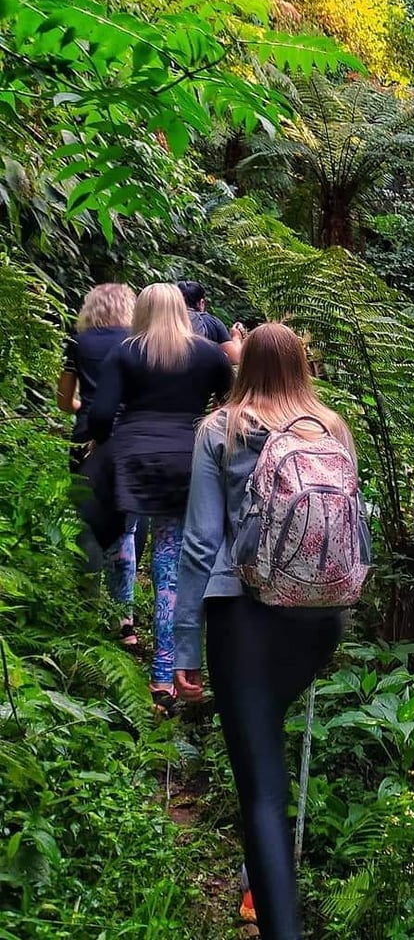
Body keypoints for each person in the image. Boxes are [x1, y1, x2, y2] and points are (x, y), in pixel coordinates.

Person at [174, 323, 357, 940]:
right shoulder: (331, 428)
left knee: (261, 791)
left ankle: (279, 925)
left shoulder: (220, 430)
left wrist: (183, 646)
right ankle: (265, 890)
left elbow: (200, 544)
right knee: (268, 737)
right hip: (320, 619)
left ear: (241, 364)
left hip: (244, 615)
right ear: (303, 365)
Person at [89, 283, 232, 711]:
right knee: (170, 566)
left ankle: (123, 616)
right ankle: (164, 676)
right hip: (188, 460)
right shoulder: (208, 354)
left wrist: (105, 445)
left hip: (133, 460)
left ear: (142, 311)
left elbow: (99, 415)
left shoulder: (125, 353)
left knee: (122, 536)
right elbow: (230, 401)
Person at [57, 283, 141, 645]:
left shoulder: (79, 344)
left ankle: (85, 611)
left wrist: (83, 410)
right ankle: (123, 617)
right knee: (126, 529)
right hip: (129, 442)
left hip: (86, 441)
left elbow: (64, 399)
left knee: (87, 525)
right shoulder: (137, 342)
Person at [176, 280, 245, 364]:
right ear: (201, 303)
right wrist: (236, 337)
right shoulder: (211, 322)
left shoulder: (165, 322)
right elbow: (235, 358)